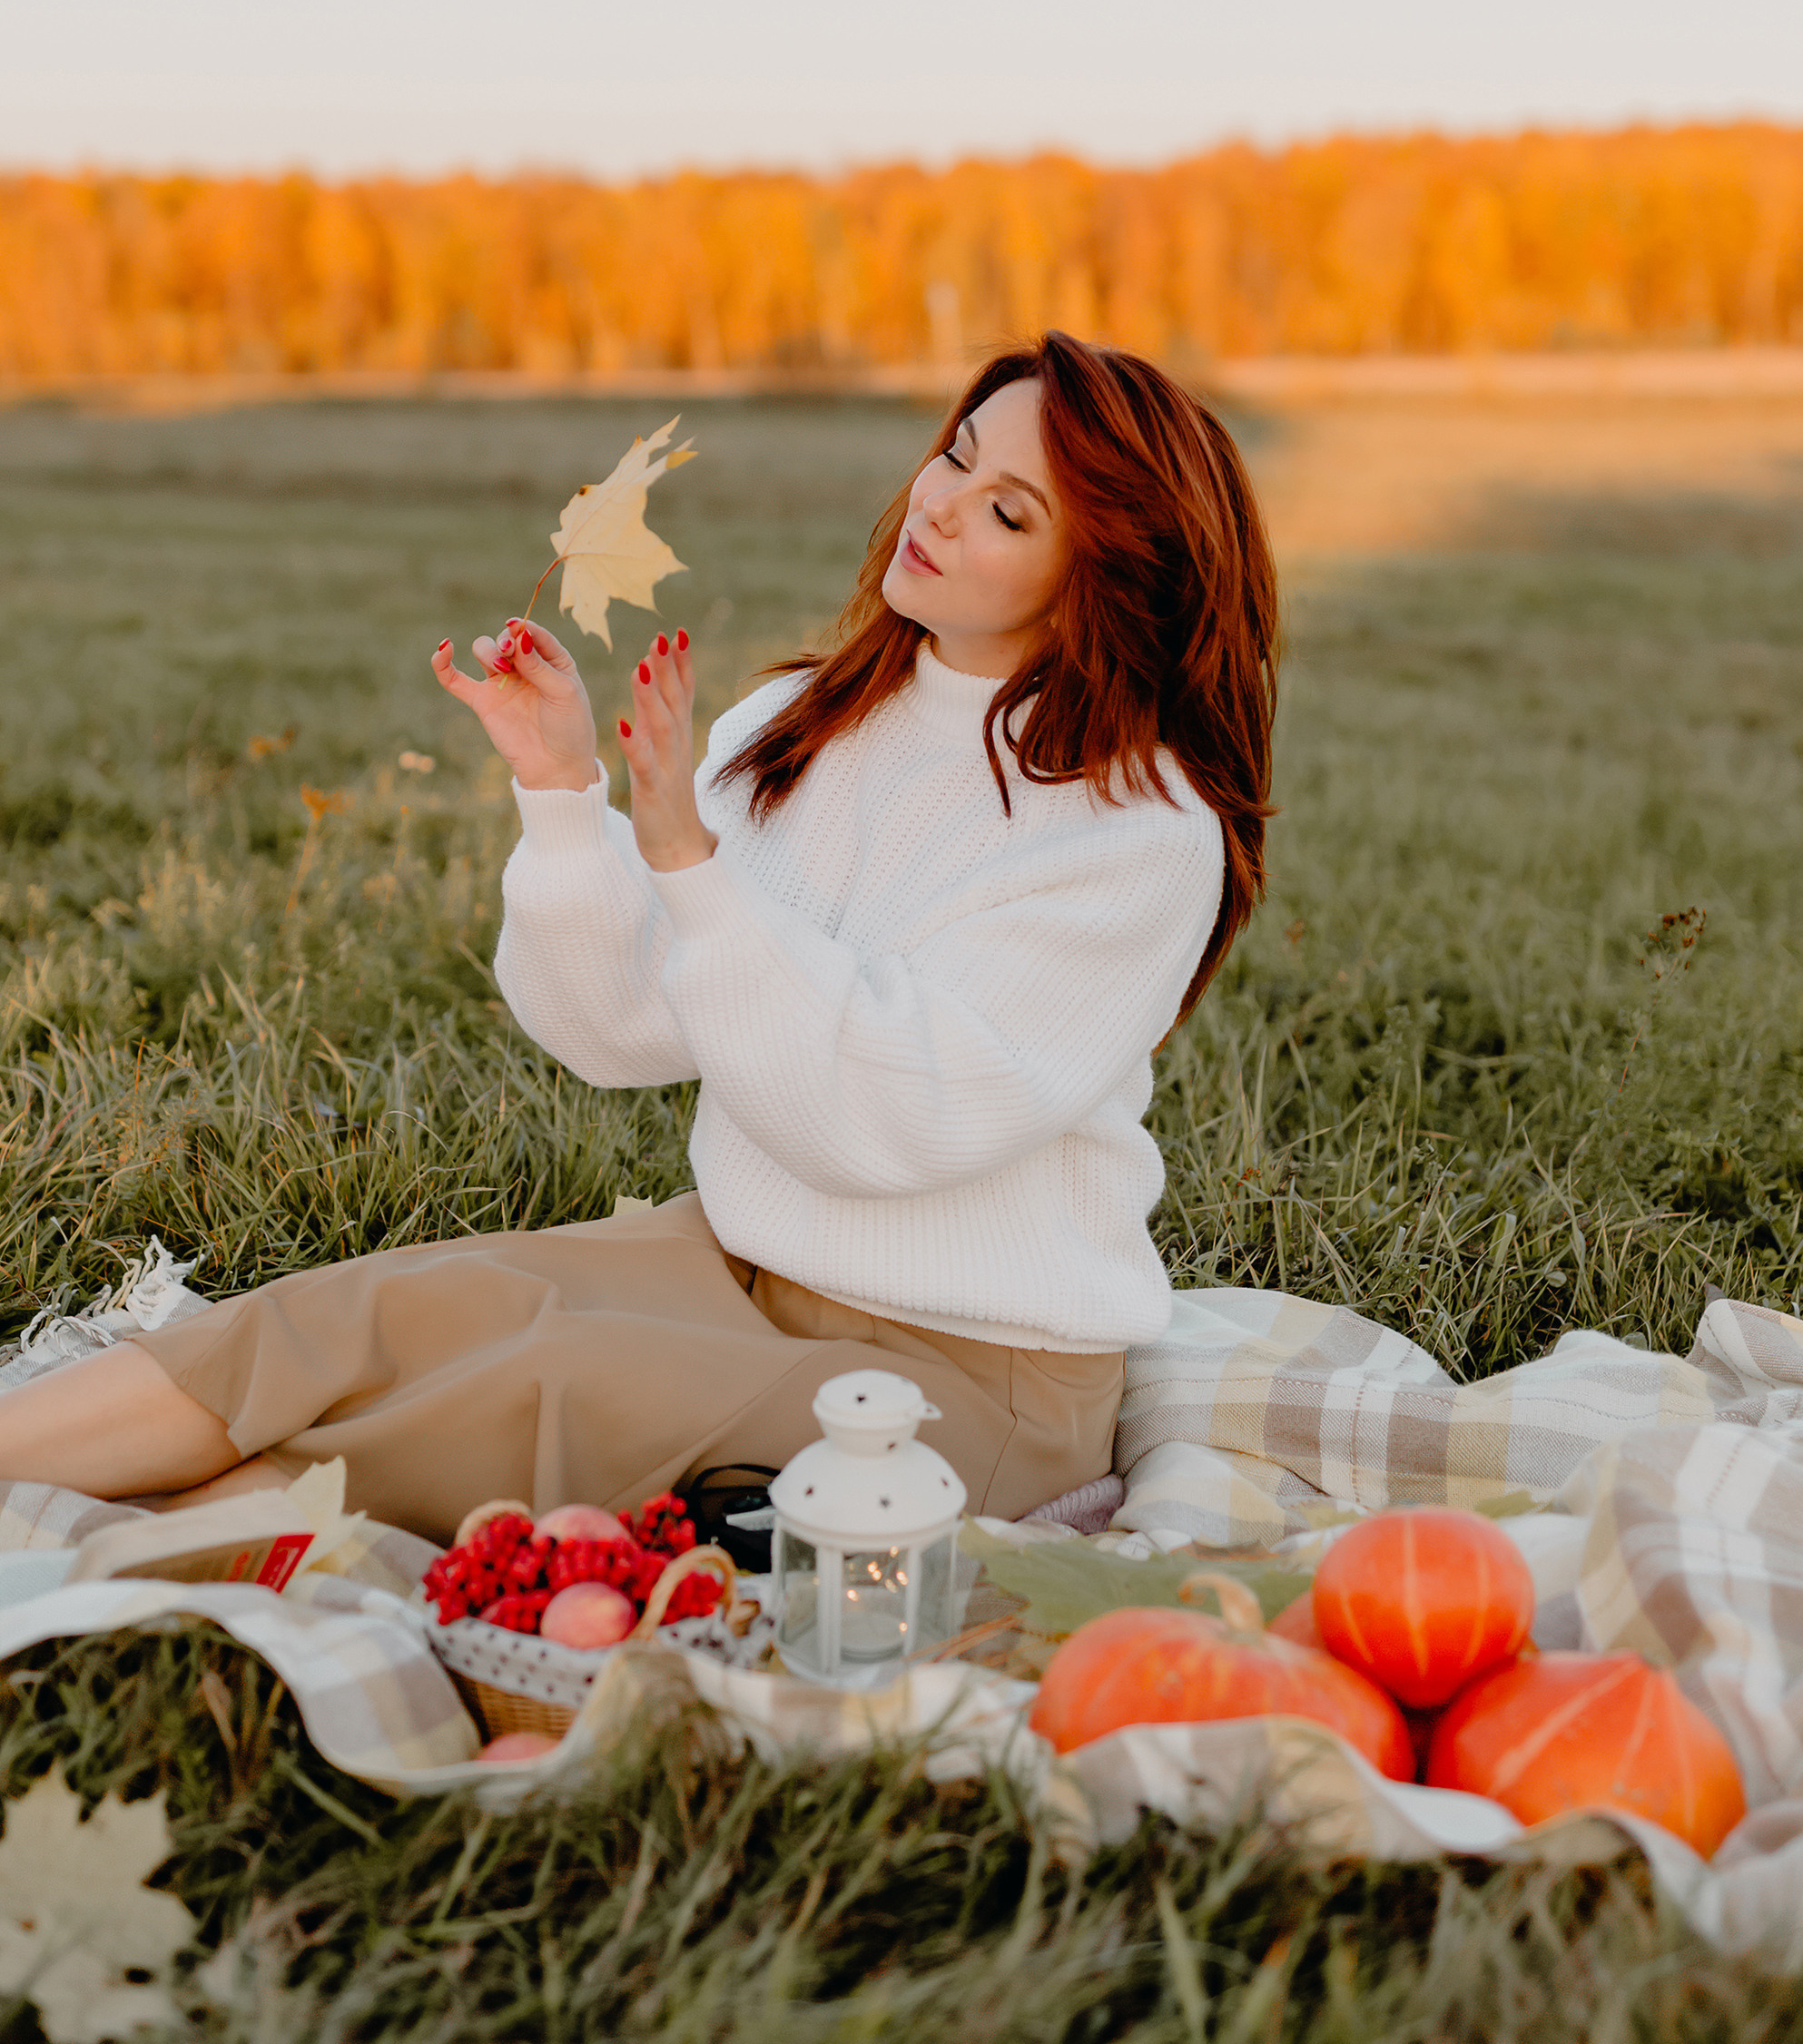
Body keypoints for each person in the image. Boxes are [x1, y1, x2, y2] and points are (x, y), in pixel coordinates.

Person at [0, 333, 1278, 1543]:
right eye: (957, 454)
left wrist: (690, 867)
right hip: (731, 1269)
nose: (941, 506)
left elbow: (887, 1117)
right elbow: (621, 1029)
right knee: (350, 1321)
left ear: (1100, 581)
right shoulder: (811, 719)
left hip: (966, 1382)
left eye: (1010, 512)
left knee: (492, 1400)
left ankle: (107, 1558)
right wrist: (564, 798)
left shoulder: (1136, 834)